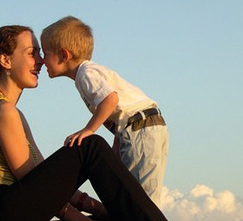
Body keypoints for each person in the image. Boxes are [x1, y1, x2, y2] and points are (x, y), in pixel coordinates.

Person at [0, 24, 209, 221]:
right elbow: (28, 177)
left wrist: (99, 210)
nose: (40, 60)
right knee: (89, 146)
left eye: (41, 53)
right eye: (32, 53)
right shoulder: (2, 111)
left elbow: (43, 181)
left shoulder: (11, 112)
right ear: (5, 61)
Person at [40, 16, 168, 208]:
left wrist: (88, 130)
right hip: (138, 127)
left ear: (64, 55)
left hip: (141, 128)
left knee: (141, 193)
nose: (42, 60)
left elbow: (110, 100)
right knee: (132, 189)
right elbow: (117, 112)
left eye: (45, 53)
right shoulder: (86, 75)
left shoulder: (86, 73)